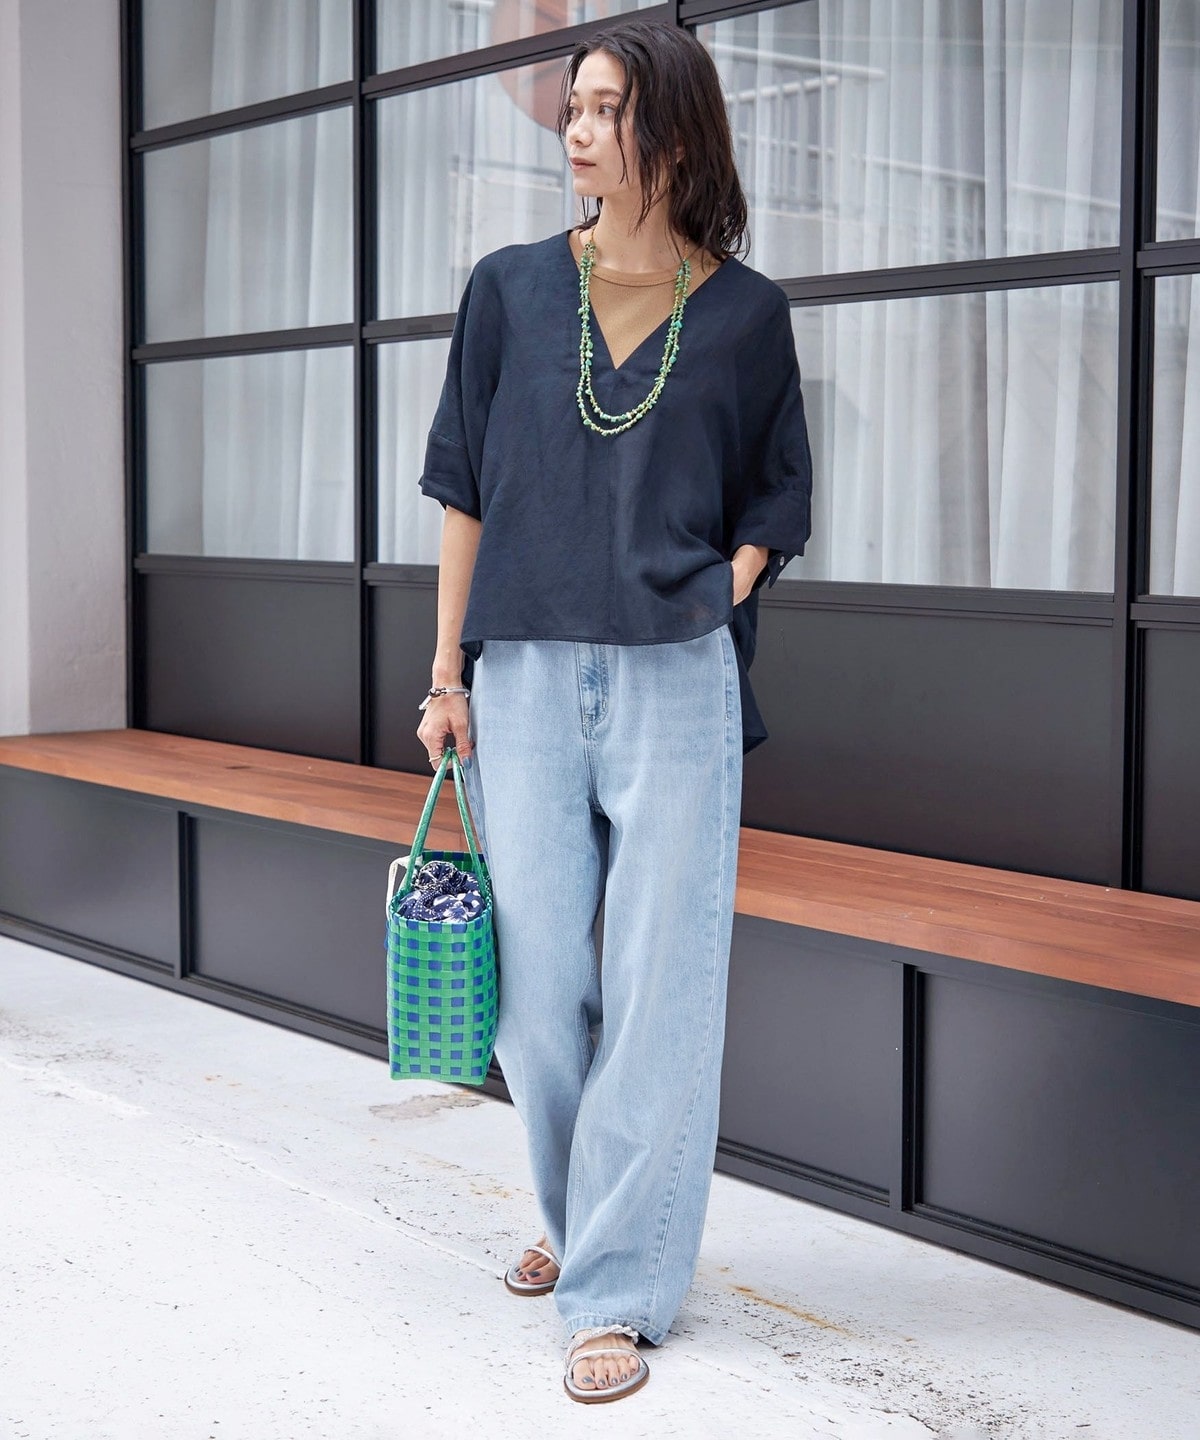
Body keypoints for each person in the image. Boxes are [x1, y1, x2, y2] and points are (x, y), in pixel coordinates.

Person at [415, 18, 812, 1404]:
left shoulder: (748, 314)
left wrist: (720, 586)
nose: (575, 129)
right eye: (572, 106)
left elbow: (778, 493)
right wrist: (448, 674)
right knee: (537, 999)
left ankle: (616, 1288)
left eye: (604, 109)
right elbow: (463, 488)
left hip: (674, 681)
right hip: (524, 672)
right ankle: (580, 1214)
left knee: (660, 990)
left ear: (675, 136)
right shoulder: (511, 289)